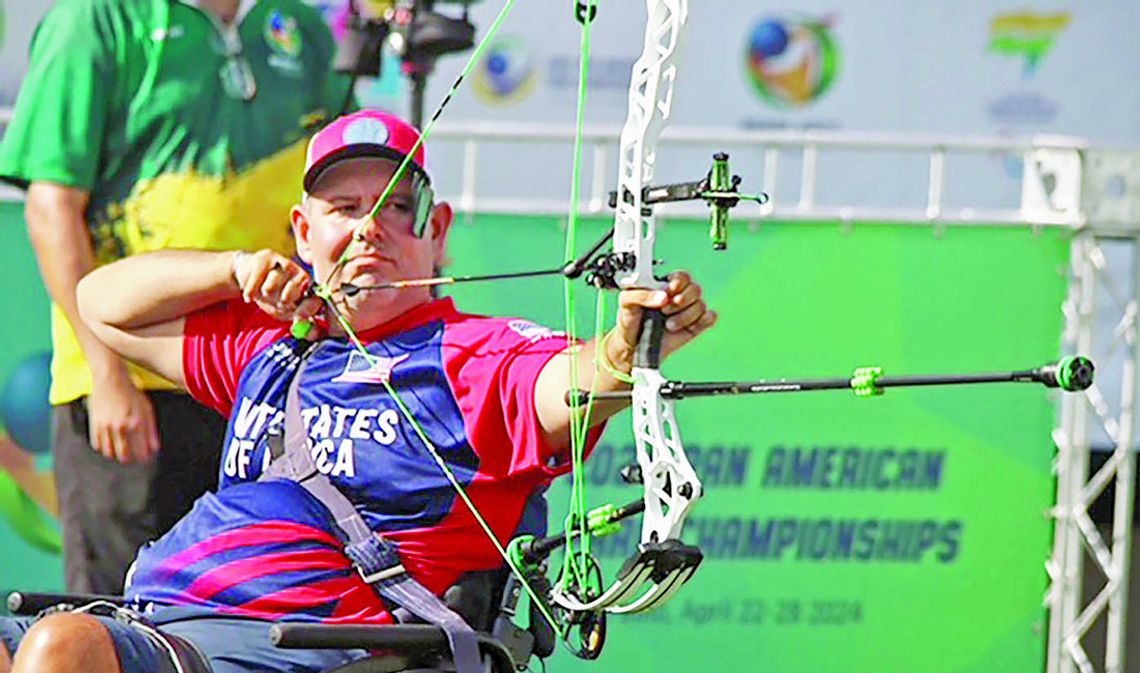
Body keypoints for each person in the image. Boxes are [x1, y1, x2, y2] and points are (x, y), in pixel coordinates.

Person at [0, 109, 716, 673]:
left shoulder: (472, 355)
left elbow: (575, 383)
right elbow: (101, 302)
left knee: (63, 652)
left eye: (396, 207)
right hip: (156, 614)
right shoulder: (272, 347)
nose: (370, 227)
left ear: (436, 232)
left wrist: (630, 344)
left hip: (307, 646)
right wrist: (235, 269)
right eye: (344, 209)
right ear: (303, 233)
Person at [0, 0, 352, 594]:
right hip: (133, 387)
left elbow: (347, 195)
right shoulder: (96, 19)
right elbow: (52, 207)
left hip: (261, 386)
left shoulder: (298, 25)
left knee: (243, 615)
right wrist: (107, 373)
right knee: (113, 622)